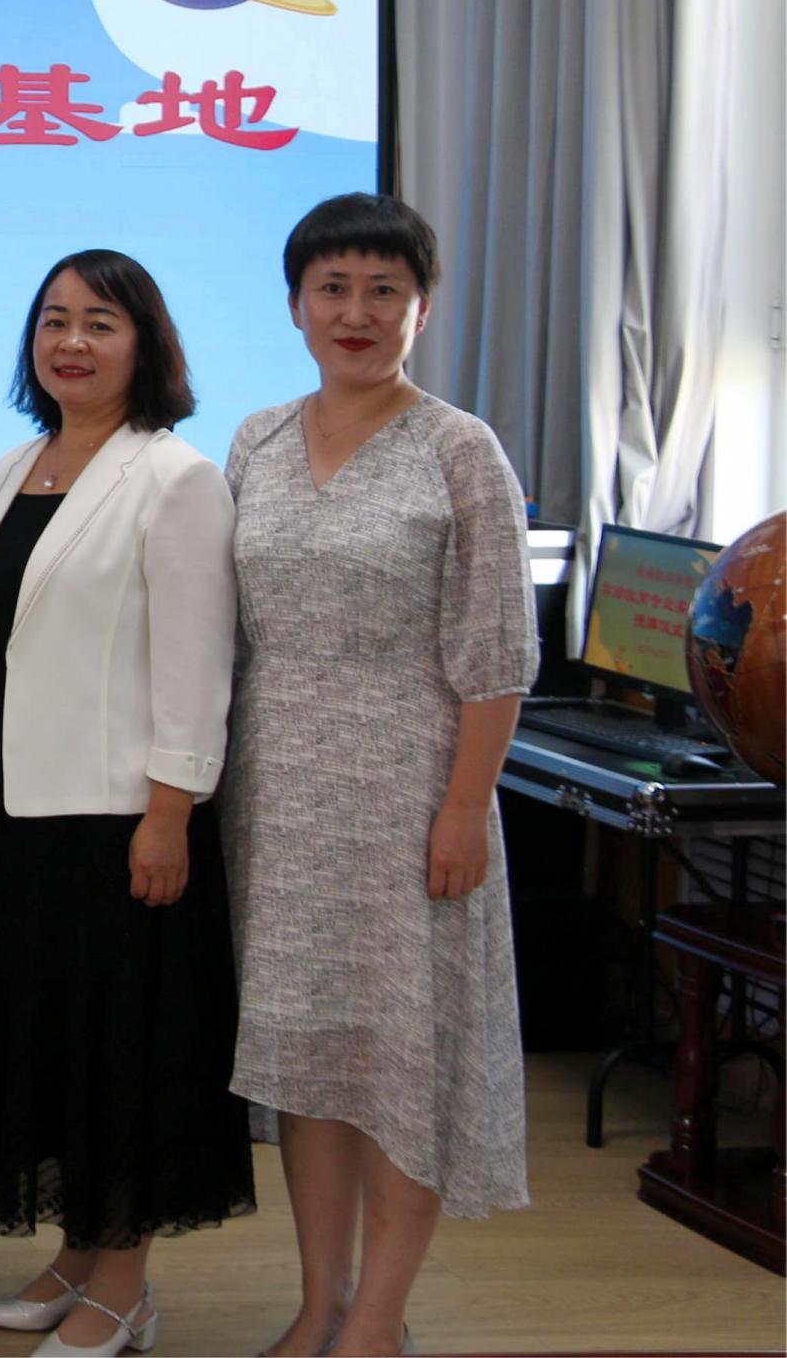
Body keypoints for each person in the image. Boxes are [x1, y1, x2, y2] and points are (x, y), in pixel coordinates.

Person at [0, 250, 255, 1356]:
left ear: (144, 344)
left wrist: (169, 812)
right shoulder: (16, 464)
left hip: (123, 818)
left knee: (121, 1058)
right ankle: (75, 1257)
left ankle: (122, 1287)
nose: (71, 341)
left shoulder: (175, 477)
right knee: (52, 1047)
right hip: (26, 808)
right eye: (53, 319)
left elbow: (197, 664)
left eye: (99, 322)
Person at [223, 194, 535, 1358]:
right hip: (275, 802)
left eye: (382, 290)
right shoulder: (254, 439)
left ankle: (376, 1318)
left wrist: (463, 807)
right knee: (307, 1059)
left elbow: (497, 652)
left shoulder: (458, 449)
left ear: (420, 307)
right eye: (332, 288)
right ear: (294, 304)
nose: (354, 312)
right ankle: (319, 1300)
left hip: (412, 801)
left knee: (401, 1061)